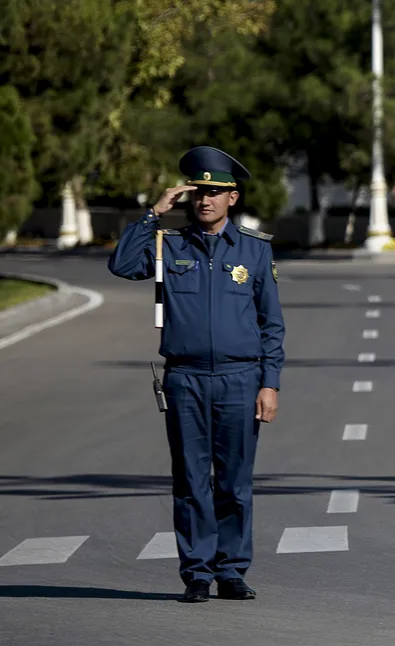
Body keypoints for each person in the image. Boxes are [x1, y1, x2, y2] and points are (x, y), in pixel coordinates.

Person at [108, 146, 285, 604]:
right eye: (198, 192)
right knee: (190, 481)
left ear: (233, 197)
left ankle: (231, 572)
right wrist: (153, 214)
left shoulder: (255, 251)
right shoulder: (169, 245)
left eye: (214, 192)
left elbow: (272, 325)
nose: (205, 200)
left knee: (234, 483)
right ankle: (197, 575)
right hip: (184, 379)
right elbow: (123, 265)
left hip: (240, 378)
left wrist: (270, 383)